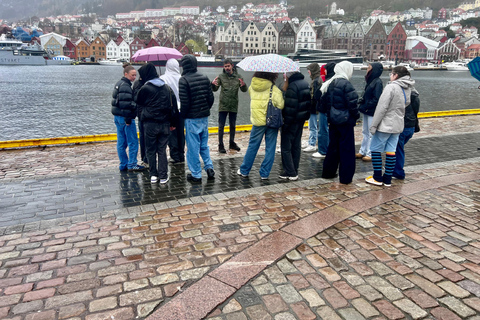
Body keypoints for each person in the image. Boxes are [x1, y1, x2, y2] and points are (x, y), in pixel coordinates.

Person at [366, 66, 415, 187]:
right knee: (391, 151)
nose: (390, 76)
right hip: (398, 124)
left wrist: (374, 125)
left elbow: (382, 108)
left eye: (391, 74)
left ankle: (377, 177)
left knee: (375, 149)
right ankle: (387, 178)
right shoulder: (408, 87)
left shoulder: (391, 87)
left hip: (386, 124)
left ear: (396, 75)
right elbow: (407, 103)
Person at [136, 63, 179, 184]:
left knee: (150, 150)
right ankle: (163, 176)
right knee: (162, 150)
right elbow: (173, 106)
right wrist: (173, 123)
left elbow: (138, 101)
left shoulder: (145, 88)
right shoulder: (167, 88)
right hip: (164, 123)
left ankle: (153, 175)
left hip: (149, 124)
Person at [237, 72, 284, 179]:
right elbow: (281, 104)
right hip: (271, 121)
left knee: (252, 146)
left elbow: (251, 96)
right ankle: (264, 173)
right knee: (270, 148)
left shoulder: (252, 87)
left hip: (257, 122)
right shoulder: (274, 89)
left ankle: (244, 170)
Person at [318, 61, 359, 184]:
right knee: (347, 149)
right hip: (345, 121)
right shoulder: (346, 84)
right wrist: (355, 116)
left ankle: (328, 172)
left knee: (333, 147)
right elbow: (353, 103)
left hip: (333, 120)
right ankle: (345, 177)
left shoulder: (330, 83)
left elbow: (324, 103)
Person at [179, 54, 215, 183]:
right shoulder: (204, 77)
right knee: (204, 145)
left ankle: (196, 175)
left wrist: (182, 115)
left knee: (193, 147)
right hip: (204, 116)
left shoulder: (183, 80)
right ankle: (209, 167)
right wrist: (205, 109)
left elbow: (185, 103)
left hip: (191, 118)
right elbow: (211, 98)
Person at [111, 65, 145, 172]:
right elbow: (125, 104)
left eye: (135, 75)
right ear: (126, 74)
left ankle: (123, 164)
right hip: (125, 117)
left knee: (121, 142)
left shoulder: (118, 84)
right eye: (132, 75)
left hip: (117, 117)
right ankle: (132, 164)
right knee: (133, 141)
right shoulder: (125, 86)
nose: (134, 77)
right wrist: (128, 119)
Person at [212, 58, 248, 153]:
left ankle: (232, 143)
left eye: (228, 66)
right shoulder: (221, 76)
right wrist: (212, 85)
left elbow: (244, 90)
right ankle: (221, 145)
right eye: (225, 66)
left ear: (232, 65)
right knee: (221, 126)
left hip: (233, 104)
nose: (227, 68)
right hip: (223, 105)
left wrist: (243, 85)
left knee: (232, 125)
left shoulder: (238, 77)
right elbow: (215, 89)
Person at [280, 71, 311, 180]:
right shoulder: (305, 83)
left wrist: (286, 124)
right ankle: (295, 169)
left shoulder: (292, 87)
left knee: (286, 147)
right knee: (296, 145)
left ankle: (290, 172)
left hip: (291, 121)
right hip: (301, 120)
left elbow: (290, 108)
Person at [356, 62, 384, 162]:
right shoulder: (371, 81)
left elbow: (376, 98)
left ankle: (370, 153)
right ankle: (363, 150)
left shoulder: (377, 82)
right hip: (367, 110)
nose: (367, 69)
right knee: (365, 132)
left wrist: (366, 105)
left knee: (371, 132)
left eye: (369, 67)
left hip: (371, 111)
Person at [160, 58, 184, 164]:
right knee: (180, 133)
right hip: (181, 109)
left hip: (169, 109)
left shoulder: (163, 78)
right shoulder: (182, 78)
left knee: (171, 132)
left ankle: (174, 155)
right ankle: (181, 154)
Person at [393, 88, 420, 180]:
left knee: (398, 149)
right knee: (398, 148)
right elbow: (416, 112)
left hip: (402, 126)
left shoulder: (399, 94)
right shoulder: (415, 95)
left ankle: (398, 171)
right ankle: (394, 168)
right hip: (411, 126)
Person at [313, 62, 336, 159]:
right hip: (330, 109)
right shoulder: (335, 80)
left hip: (324, 109)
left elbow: (318, 95)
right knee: (327, 130)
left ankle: (323, 150)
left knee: (322, 130)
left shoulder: (327, 81)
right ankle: (328, 149)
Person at [303, 63, 323, 153]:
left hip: (314, 107)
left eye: (309, 70)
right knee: (315, 126)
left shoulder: (315, 81)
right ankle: (313, 142)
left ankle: (312, 143)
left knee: (313, 126)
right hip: (316, 107)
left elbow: (314, 95)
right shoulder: (317, 79)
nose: (308, 72)